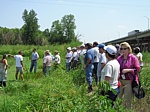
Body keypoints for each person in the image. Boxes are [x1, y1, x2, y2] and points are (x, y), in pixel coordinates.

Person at [117, 42, 140, 109]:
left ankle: (128, 110)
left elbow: (137, 69)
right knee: (118, 98)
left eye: (124, 48)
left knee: (127, 99)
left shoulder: (133, 58)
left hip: (129, 81)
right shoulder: (119, 58)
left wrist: (129, 70)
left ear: (129, 49)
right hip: (120, 81)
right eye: (121, 49)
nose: (123, 50)